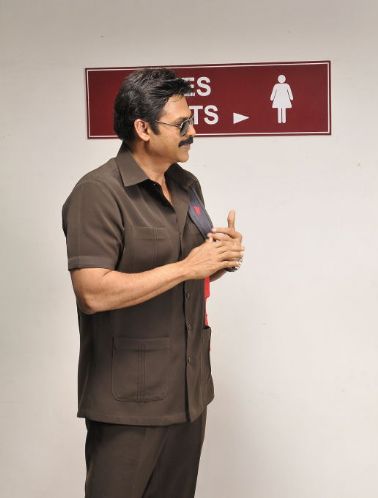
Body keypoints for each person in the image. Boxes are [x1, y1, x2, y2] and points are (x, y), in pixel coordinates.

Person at [62, 68, 244, 498]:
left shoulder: (186, 185)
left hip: (188, 392)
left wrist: (220, 258)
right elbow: (92, 292)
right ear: (143, 128)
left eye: (191, 121)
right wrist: (186, 267)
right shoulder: (98, 192)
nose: (192, 132)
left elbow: (194, 273)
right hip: (129, 401)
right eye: (181, 124)